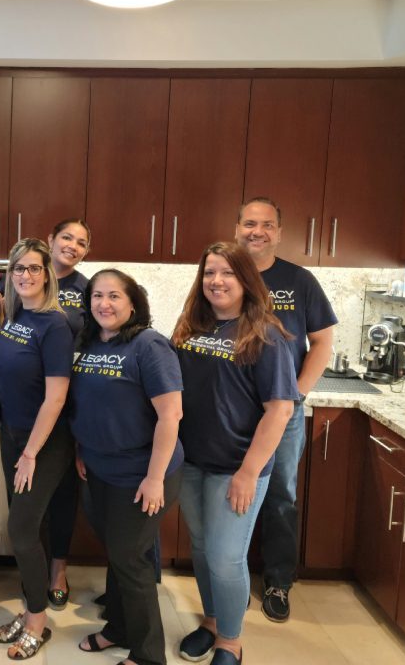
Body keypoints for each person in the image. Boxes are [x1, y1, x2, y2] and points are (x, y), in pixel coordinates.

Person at [171, 242, 298, 665]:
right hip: (191, 462)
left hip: (237, 467)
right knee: (204, 549)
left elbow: (279, 409)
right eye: (209, 273)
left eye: (227, 273)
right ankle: (212, 620)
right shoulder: (191, 325)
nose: (217, 281)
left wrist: (249, 472)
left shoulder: (266, 333)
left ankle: (230, 641)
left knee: (227, 558)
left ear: (246, 279)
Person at [71, 269, 184, 665]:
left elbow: (170, 416)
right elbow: (93, 405)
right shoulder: (91, 343)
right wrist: (84, 448)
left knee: (131, 561)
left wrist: (155, 479)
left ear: (133, 303)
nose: (104, 303)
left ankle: (149, 654)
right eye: (97, 296)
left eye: (114, 296)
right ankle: (118, 628)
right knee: (118, 555)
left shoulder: (149, 346)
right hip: (100, 468)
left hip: (142, 474)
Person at [234, 197, 337, 622]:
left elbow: (323, 343)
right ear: (236, 228)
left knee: (279, 497)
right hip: (233, 409)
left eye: (266, 225)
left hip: (283, 412)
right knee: (230, 493)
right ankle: (230, 580)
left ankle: (278, 581)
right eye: (249, 223)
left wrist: (295, 394)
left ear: (279, 233)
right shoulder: (222, 272)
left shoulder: (300, 280)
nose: (257, 231)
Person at [0, 238, 74, 660]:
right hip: (14, 434)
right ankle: (28, 609)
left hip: (44, 442)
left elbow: (56, 397)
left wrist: (31, 453)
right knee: (31, 529)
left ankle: (37, 623)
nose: (25, 275)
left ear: (48, 274)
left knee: (21, 530)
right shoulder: (15, 314)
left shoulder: (54, 324)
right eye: (18, 268)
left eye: (34, 268)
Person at [43, 219, 91, 607]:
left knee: (61, 490)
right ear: (50, 241)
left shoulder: (87, 290)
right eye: (67, 238)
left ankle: (58, 567)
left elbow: (98, 340)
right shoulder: (27, 277)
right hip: (27, 400)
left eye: (81, 242)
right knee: (25, 490)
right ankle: (31, 564)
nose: (73, 246)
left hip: (71, 400)